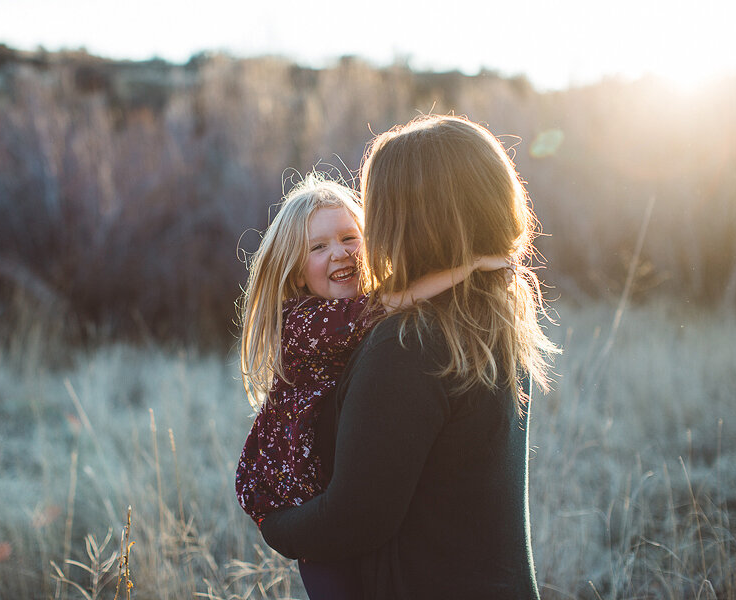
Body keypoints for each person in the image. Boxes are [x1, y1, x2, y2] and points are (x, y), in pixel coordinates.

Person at [258, 115, 559, 600]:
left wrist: (277, 526)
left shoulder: (409, 344)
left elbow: (354, 520)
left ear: (409, 217)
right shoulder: (486, 321)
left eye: (374, 209)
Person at [235, 173, 510, 599]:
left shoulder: (362, 311)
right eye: (318, 247)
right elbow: (392, 301)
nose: (340, 253)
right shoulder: (305, 321)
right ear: (295, 272)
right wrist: (468, 267)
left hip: (331, 495)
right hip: (302, 505)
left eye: (349, 237)